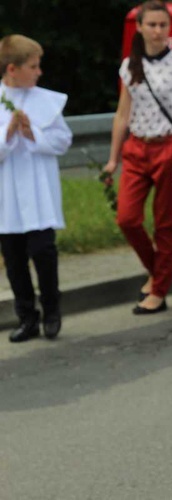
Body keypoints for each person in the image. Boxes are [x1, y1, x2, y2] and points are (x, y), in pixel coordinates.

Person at [104, 0, 172, 314]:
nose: (158, 31)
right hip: (136, 147)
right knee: (127, 218)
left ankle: (158, 290)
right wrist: (113, 158)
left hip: (168, 147)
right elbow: (122, 113)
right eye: (152, 25)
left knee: (165, 224)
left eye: (163, 25)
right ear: (140, 27)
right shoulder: (130, 64)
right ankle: (158, 273)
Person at [0, 35, 71, 343]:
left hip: (38, 189)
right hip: (7, 195)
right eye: (33, 66)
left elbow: (62, 141)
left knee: (43, 252)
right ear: (12, 69)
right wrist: (8, 132)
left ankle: (52, 310)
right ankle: (27, 316)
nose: (39, 72)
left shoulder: (46, 100)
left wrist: (33, 134)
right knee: (14, 259)